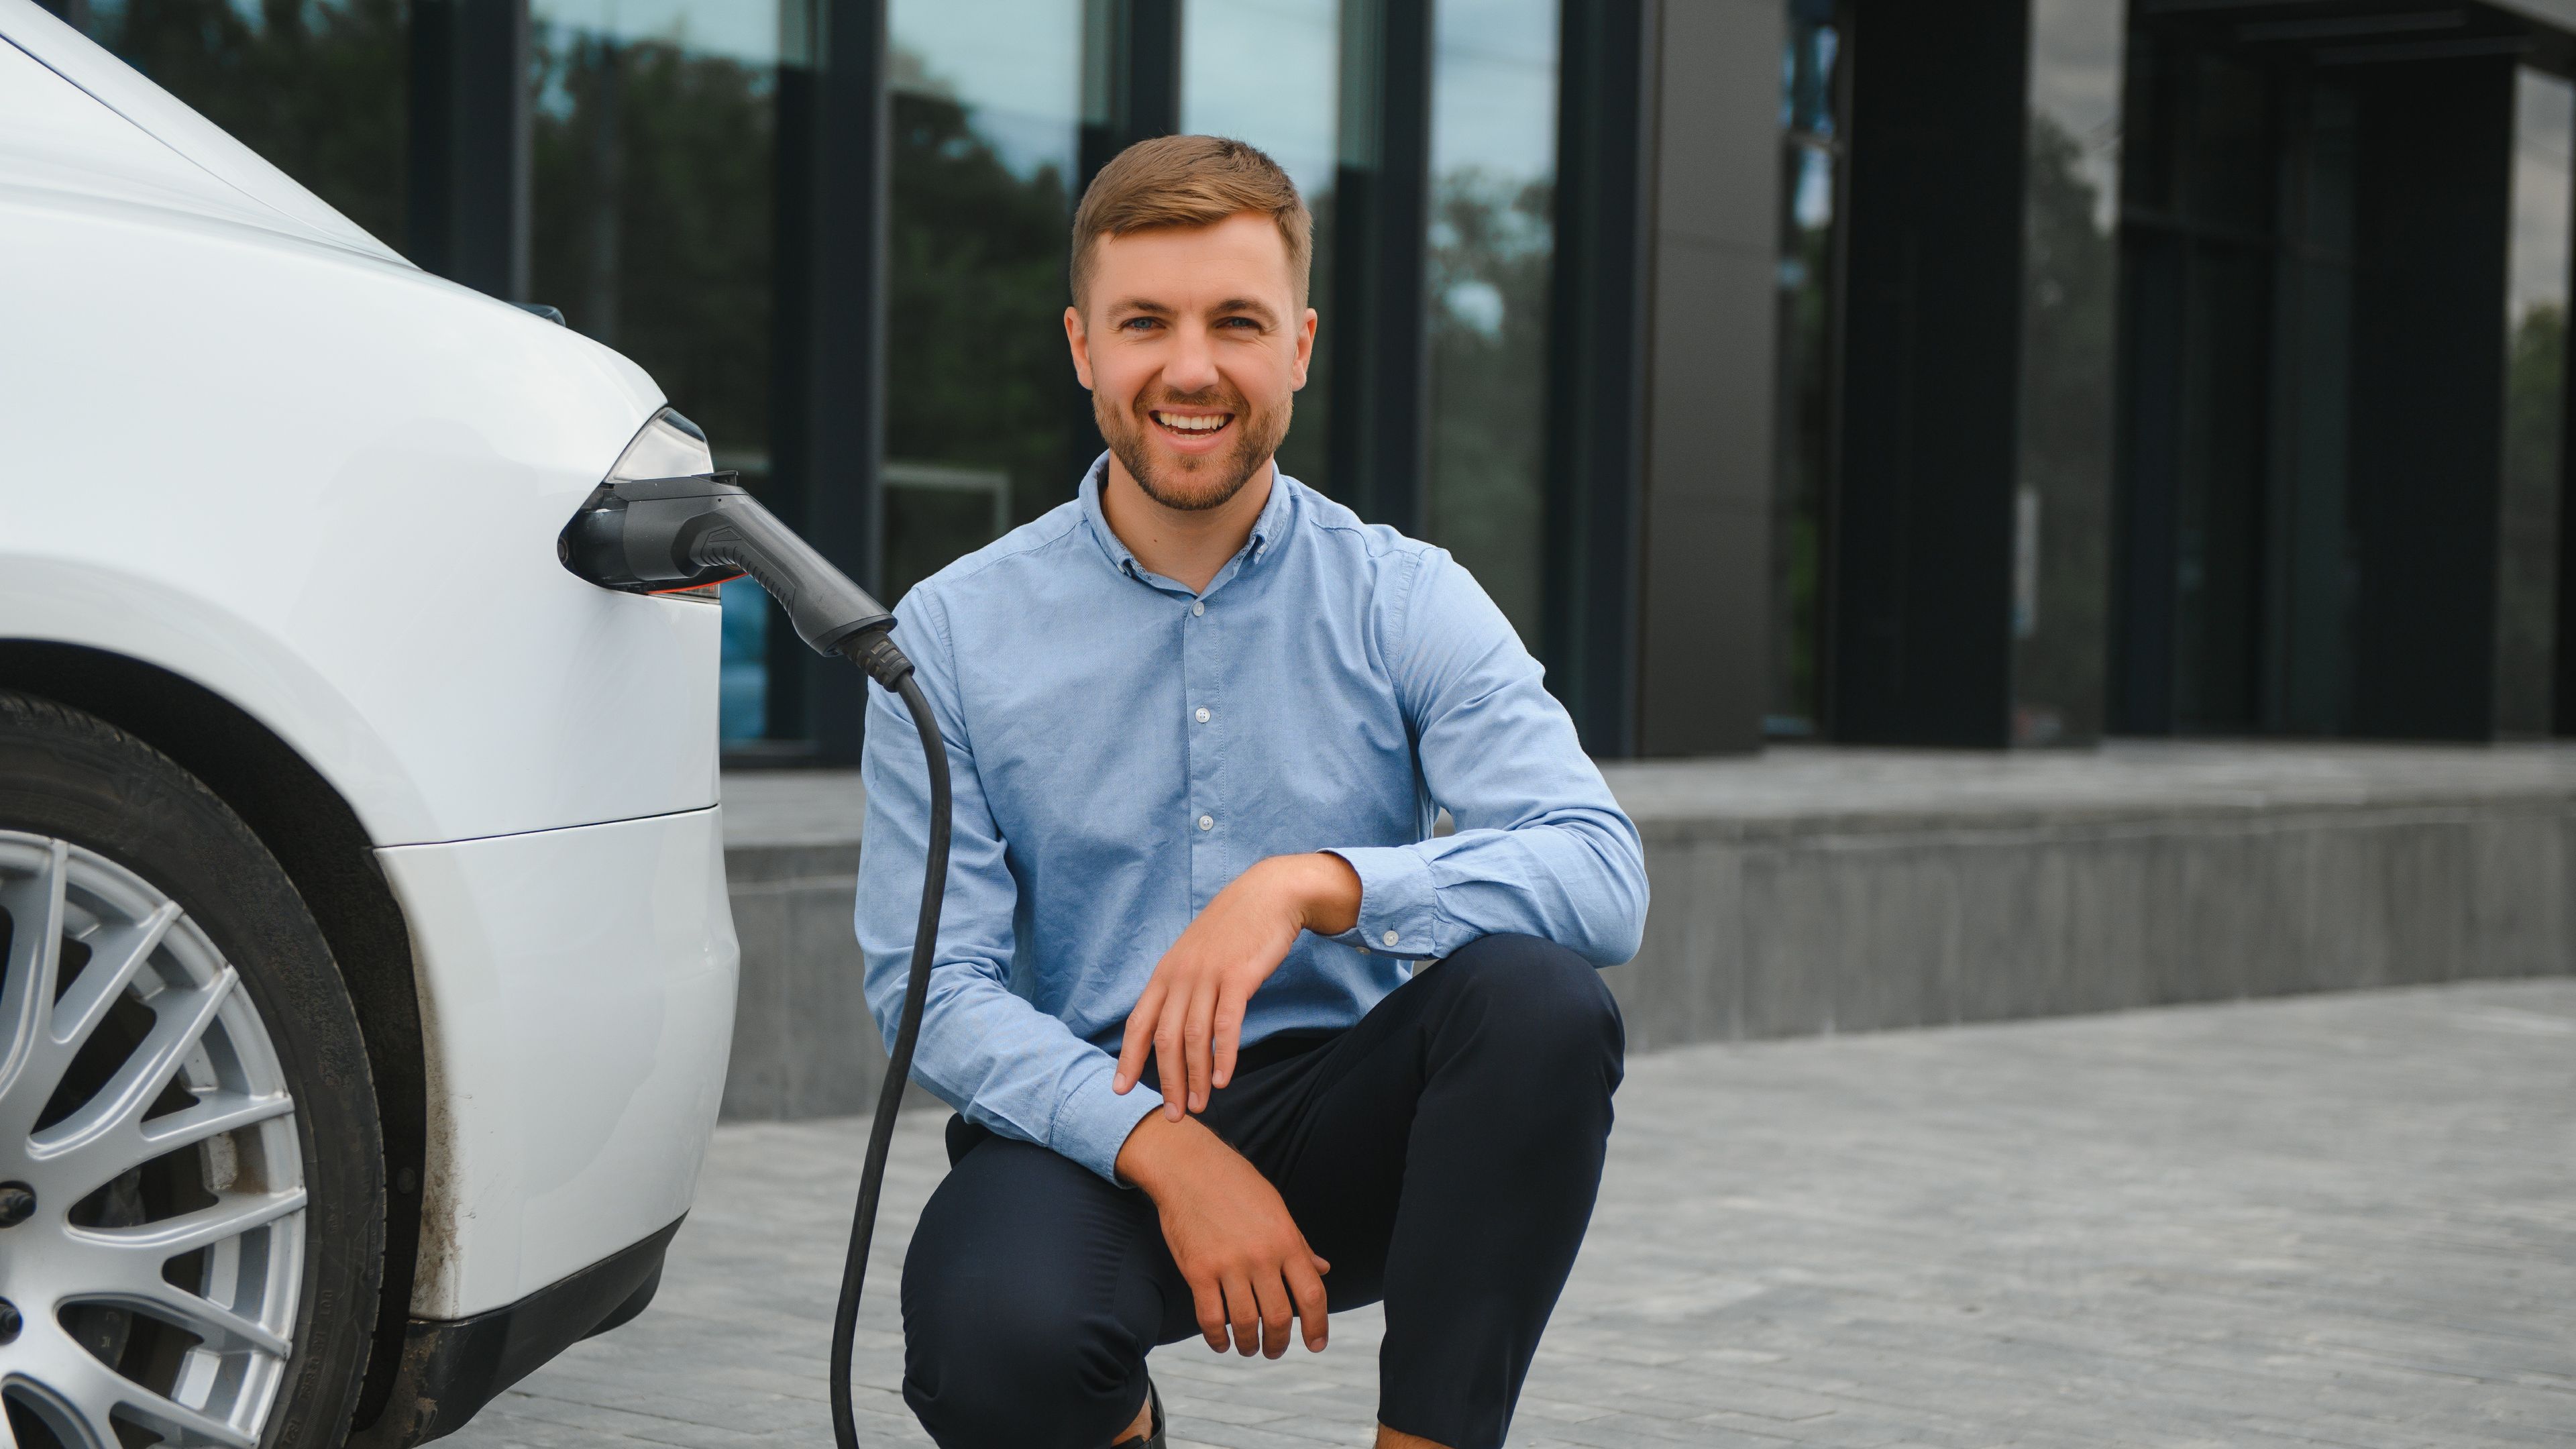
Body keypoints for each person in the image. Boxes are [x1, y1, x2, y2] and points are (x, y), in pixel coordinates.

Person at [854, 134, 1648, 1449]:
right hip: (1090, 1133)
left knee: (1540, 1005)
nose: (1190, 367)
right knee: (994, 1340)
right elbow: (928, 988)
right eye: (1144, 323)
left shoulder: (1405, 595)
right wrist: (1167, 1146)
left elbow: (1602, 874)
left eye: (1237, 321)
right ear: (1082, 346)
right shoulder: (949, 633)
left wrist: (1316, 885)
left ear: (1299, 345)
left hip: (1358, 1123)